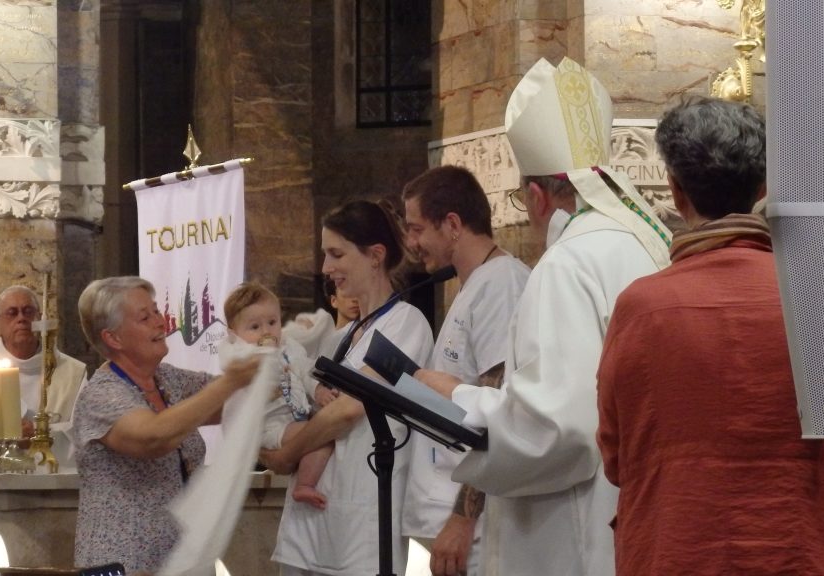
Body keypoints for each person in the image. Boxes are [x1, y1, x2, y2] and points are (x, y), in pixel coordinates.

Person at [415, 57, 672, 576]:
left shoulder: (567, 264)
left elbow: (557, 431)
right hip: (638, 512)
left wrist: (455, 397)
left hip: (570, 532)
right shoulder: (643, 246)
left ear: (536, 197)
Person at [596, 97, 824, 575]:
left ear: (676, 192)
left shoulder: (641, 307)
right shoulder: (822, 295)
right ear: (761, 186)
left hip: (680, 548)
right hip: (802, 547)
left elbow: (617, 459)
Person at [266, 199, 435, 576]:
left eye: (336, 254)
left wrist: (286, 452)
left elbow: (348, 410)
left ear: (375, 255)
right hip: (311, 521)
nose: (326, 268)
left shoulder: (406, 324)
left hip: (360, 526)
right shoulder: (339, 336)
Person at [71, 276, 259, 573]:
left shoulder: (168, 380)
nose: (161, 322)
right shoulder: (101, 394)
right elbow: (153, 438)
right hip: (124, 563)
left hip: (183, 559)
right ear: (113, 338)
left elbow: (237, 401)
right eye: (145, 317)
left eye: (156, 311)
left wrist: (271, 364)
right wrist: (232, 382)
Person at [401, 165, 531, 576]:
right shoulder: (472, 285)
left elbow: (497, 410)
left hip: (474, 529)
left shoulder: (502, 283)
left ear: (452, 224)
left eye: (417, 228)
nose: (412, 242)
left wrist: (463, 518)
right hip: (445, 516)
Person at [0, 285, 88, 474]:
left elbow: (86, 429)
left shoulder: (72, 372)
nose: (21, 319)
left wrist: (38, 433)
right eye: (12, 313)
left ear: (39, 319)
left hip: (52, 487)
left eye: (28, 312)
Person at [222, 281, 333, 509]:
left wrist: (318, 390)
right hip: (271, 427)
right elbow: (240, 394)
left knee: (322, 434)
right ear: (234, 335)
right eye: (254, 327)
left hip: (295, 418)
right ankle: (305, 484)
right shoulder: (243, 358)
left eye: (272, 322)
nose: (266, 332)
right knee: (323, 435)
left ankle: (305, 477)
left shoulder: (289, 347)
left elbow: (306, 370)